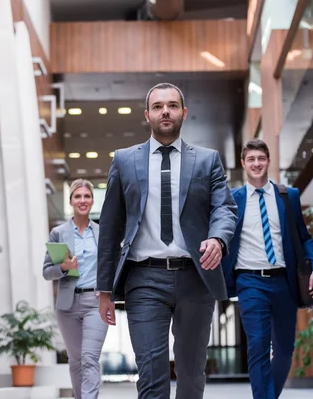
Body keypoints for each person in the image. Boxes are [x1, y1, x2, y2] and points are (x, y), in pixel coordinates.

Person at [97, 83, 237, 399]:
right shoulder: (123, 161)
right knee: (150, 373)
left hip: (195, 276)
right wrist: (104, 289)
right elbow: (110, 229)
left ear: (184, 113)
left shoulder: (207, 160)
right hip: (144, 278)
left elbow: (224, 208)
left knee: (190, 374)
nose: (165, 111)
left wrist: (217, 238)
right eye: (158, 106)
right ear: (147, 114)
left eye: (172, 105)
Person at [221, 139, 313, 399]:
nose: (256, 163)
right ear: (244, 164)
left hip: (284, 282)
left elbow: (304, 239)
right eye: (251, 159)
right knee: (257, 346)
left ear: (268, 161)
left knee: (285, 349)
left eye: (261, 158)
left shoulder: (287, 197)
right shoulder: (232, 200)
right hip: (249, 281)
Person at [43, 179, 108, 399]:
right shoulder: (59, 233)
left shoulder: (102, 232)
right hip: (67, 305)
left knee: (90, 358)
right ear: (71, 201)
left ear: (92, 200)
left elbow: (112, 265)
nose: (82, 200)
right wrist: (63, 267)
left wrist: (109, 290)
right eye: (78, 196)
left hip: (96, 303)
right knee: (76, 360)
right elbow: (46, 272)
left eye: (87, 196)